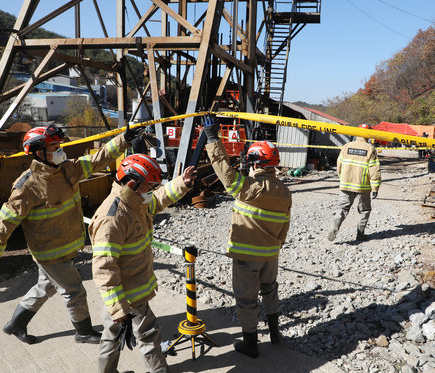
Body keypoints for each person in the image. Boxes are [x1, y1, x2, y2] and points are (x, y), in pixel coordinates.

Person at [0, 124, 143, 345]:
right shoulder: (28, 187)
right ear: (39, 153)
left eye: (59, 145)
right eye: (54, 146)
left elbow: (98, 159)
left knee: (45, 287)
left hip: (65, 247)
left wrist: (123, 139)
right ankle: (83, 331)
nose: (60, 150)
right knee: (74, 291)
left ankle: (16, 324)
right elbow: (4, 222)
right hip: (50, 253)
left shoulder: (67, 169)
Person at [89, 154, 196, 373]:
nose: (152, 190)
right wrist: (119, 308)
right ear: (132, 183)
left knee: (111, 336)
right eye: (149, 186)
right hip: (129, 294)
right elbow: (103, 267)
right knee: (148, 336)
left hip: (123, 292)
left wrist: (180, 184)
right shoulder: (114, 218)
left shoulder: (135, 201)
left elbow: (158, 199)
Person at [202, 114, 292, 358]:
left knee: (247, 299)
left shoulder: (249, 189)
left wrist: (212, 138)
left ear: (254, 162)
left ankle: (251, 344)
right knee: (270, 290)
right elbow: (285, 225)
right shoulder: (284, 191)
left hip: (246, 256)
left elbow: (224, 172)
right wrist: (275, 246)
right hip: (271, 254)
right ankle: (275, 334)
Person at [327, 124, 381, 242]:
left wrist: (343, 179)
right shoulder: (370, 149)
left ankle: (335, 228)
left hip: (346, 184)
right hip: (363, 187)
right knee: (365, 210)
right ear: (369, 134)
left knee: (342, 208)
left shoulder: (346, 146)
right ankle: (360, 235)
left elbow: (339, 165)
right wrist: (375, 187)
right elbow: (374, 170)